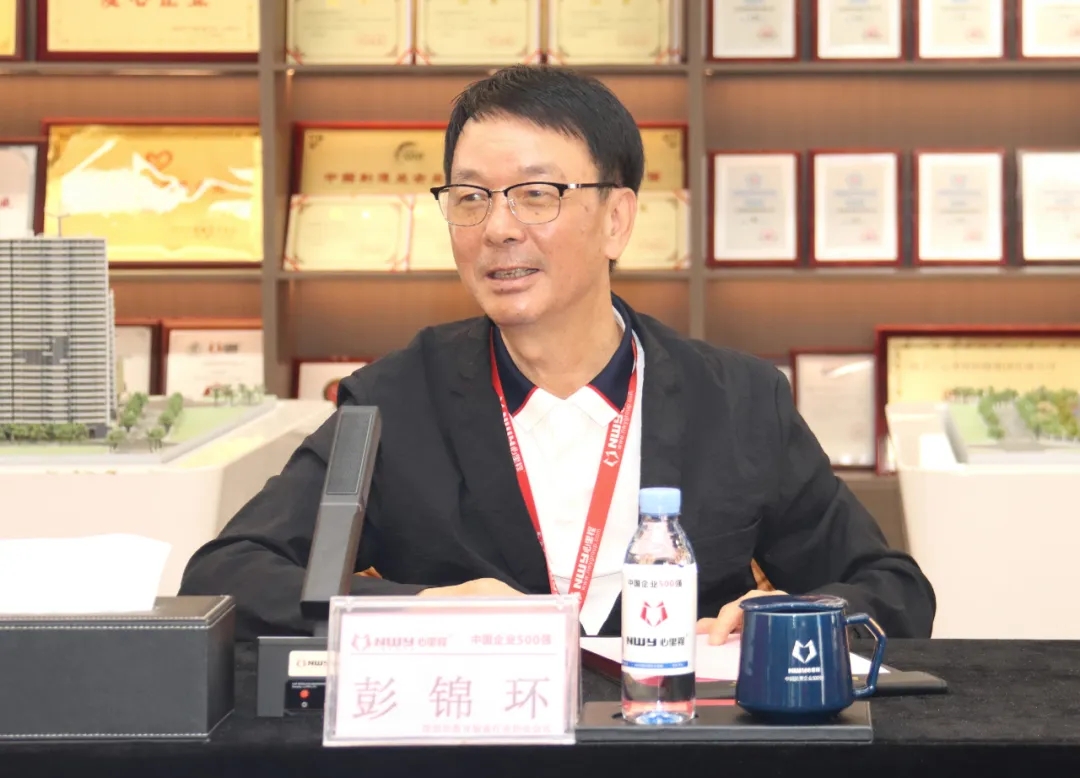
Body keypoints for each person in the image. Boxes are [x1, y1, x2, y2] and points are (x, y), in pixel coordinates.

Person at [178, 65, 935, 644]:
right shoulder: (396, 399)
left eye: (536, 194)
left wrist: (793, 617)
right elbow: (227, 575)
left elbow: (892, 589)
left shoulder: (736, 399)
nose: (498, 228)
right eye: (470, 197)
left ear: (616, 220)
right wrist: (421, 609)